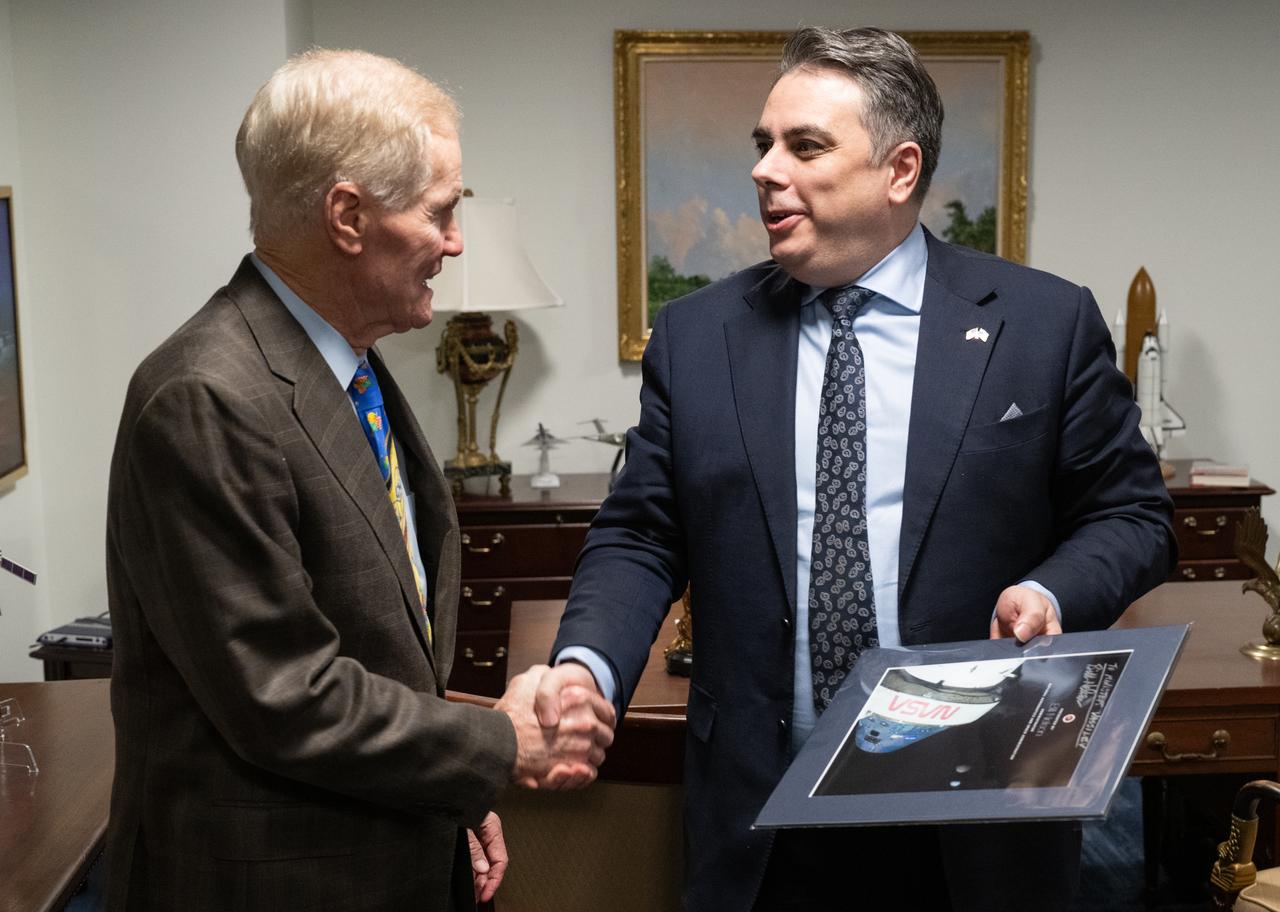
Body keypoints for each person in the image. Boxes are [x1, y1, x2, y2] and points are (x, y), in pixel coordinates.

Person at [543, 26, 1176, 911]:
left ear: (901, 171)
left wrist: (1055, 591)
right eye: (763, 145)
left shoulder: (1043, 325)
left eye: (804, 146)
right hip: (762, 816)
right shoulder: (697, 339)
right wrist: (586, 667)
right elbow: (641, 534)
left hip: (979, 816)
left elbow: (1133, 518)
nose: (766, 169)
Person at [103, 49, 613, 912]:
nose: (454, 242)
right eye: (441, 212)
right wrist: (498, 741)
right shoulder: (205, 397)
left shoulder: (351, 368)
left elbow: (377, 647)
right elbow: (287, 696)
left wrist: (450, 787)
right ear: (348, 216)